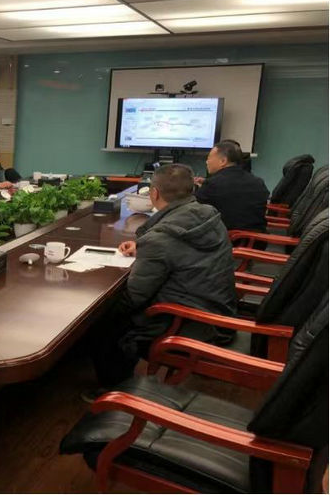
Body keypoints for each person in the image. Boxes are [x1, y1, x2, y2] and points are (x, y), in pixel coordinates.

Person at [86, 163, 237, 397]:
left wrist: (93, 310)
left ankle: (114, 389)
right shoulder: (208, 215)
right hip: (218, 313)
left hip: (188, 324)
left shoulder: (160, 239)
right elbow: (182, 251)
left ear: (154, 193)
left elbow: (134, 298)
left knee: (103, 317)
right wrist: (144, 247)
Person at [194, 139, 269, 232]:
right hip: (257, 238)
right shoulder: (258, 182)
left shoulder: (213, 184)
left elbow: (194, 210)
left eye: (209, 158)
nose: (207, 162)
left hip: (227, 237)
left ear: (223, 161)